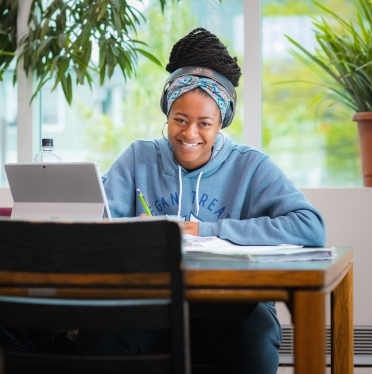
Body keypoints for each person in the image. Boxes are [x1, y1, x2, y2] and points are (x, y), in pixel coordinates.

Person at [77, 28, 326, 374]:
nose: (190, 134)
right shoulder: (139, 158)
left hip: (234, 309)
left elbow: (311, 227)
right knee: (97, 336)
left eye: (204, 123)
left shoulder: (250, 166)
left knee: (252, 339)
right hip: (154, 305)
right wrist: (137, 232)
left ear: (222, 121)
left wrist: (207, 229)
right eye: (180, 120)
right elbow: (94, 222)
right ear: (167, 113)